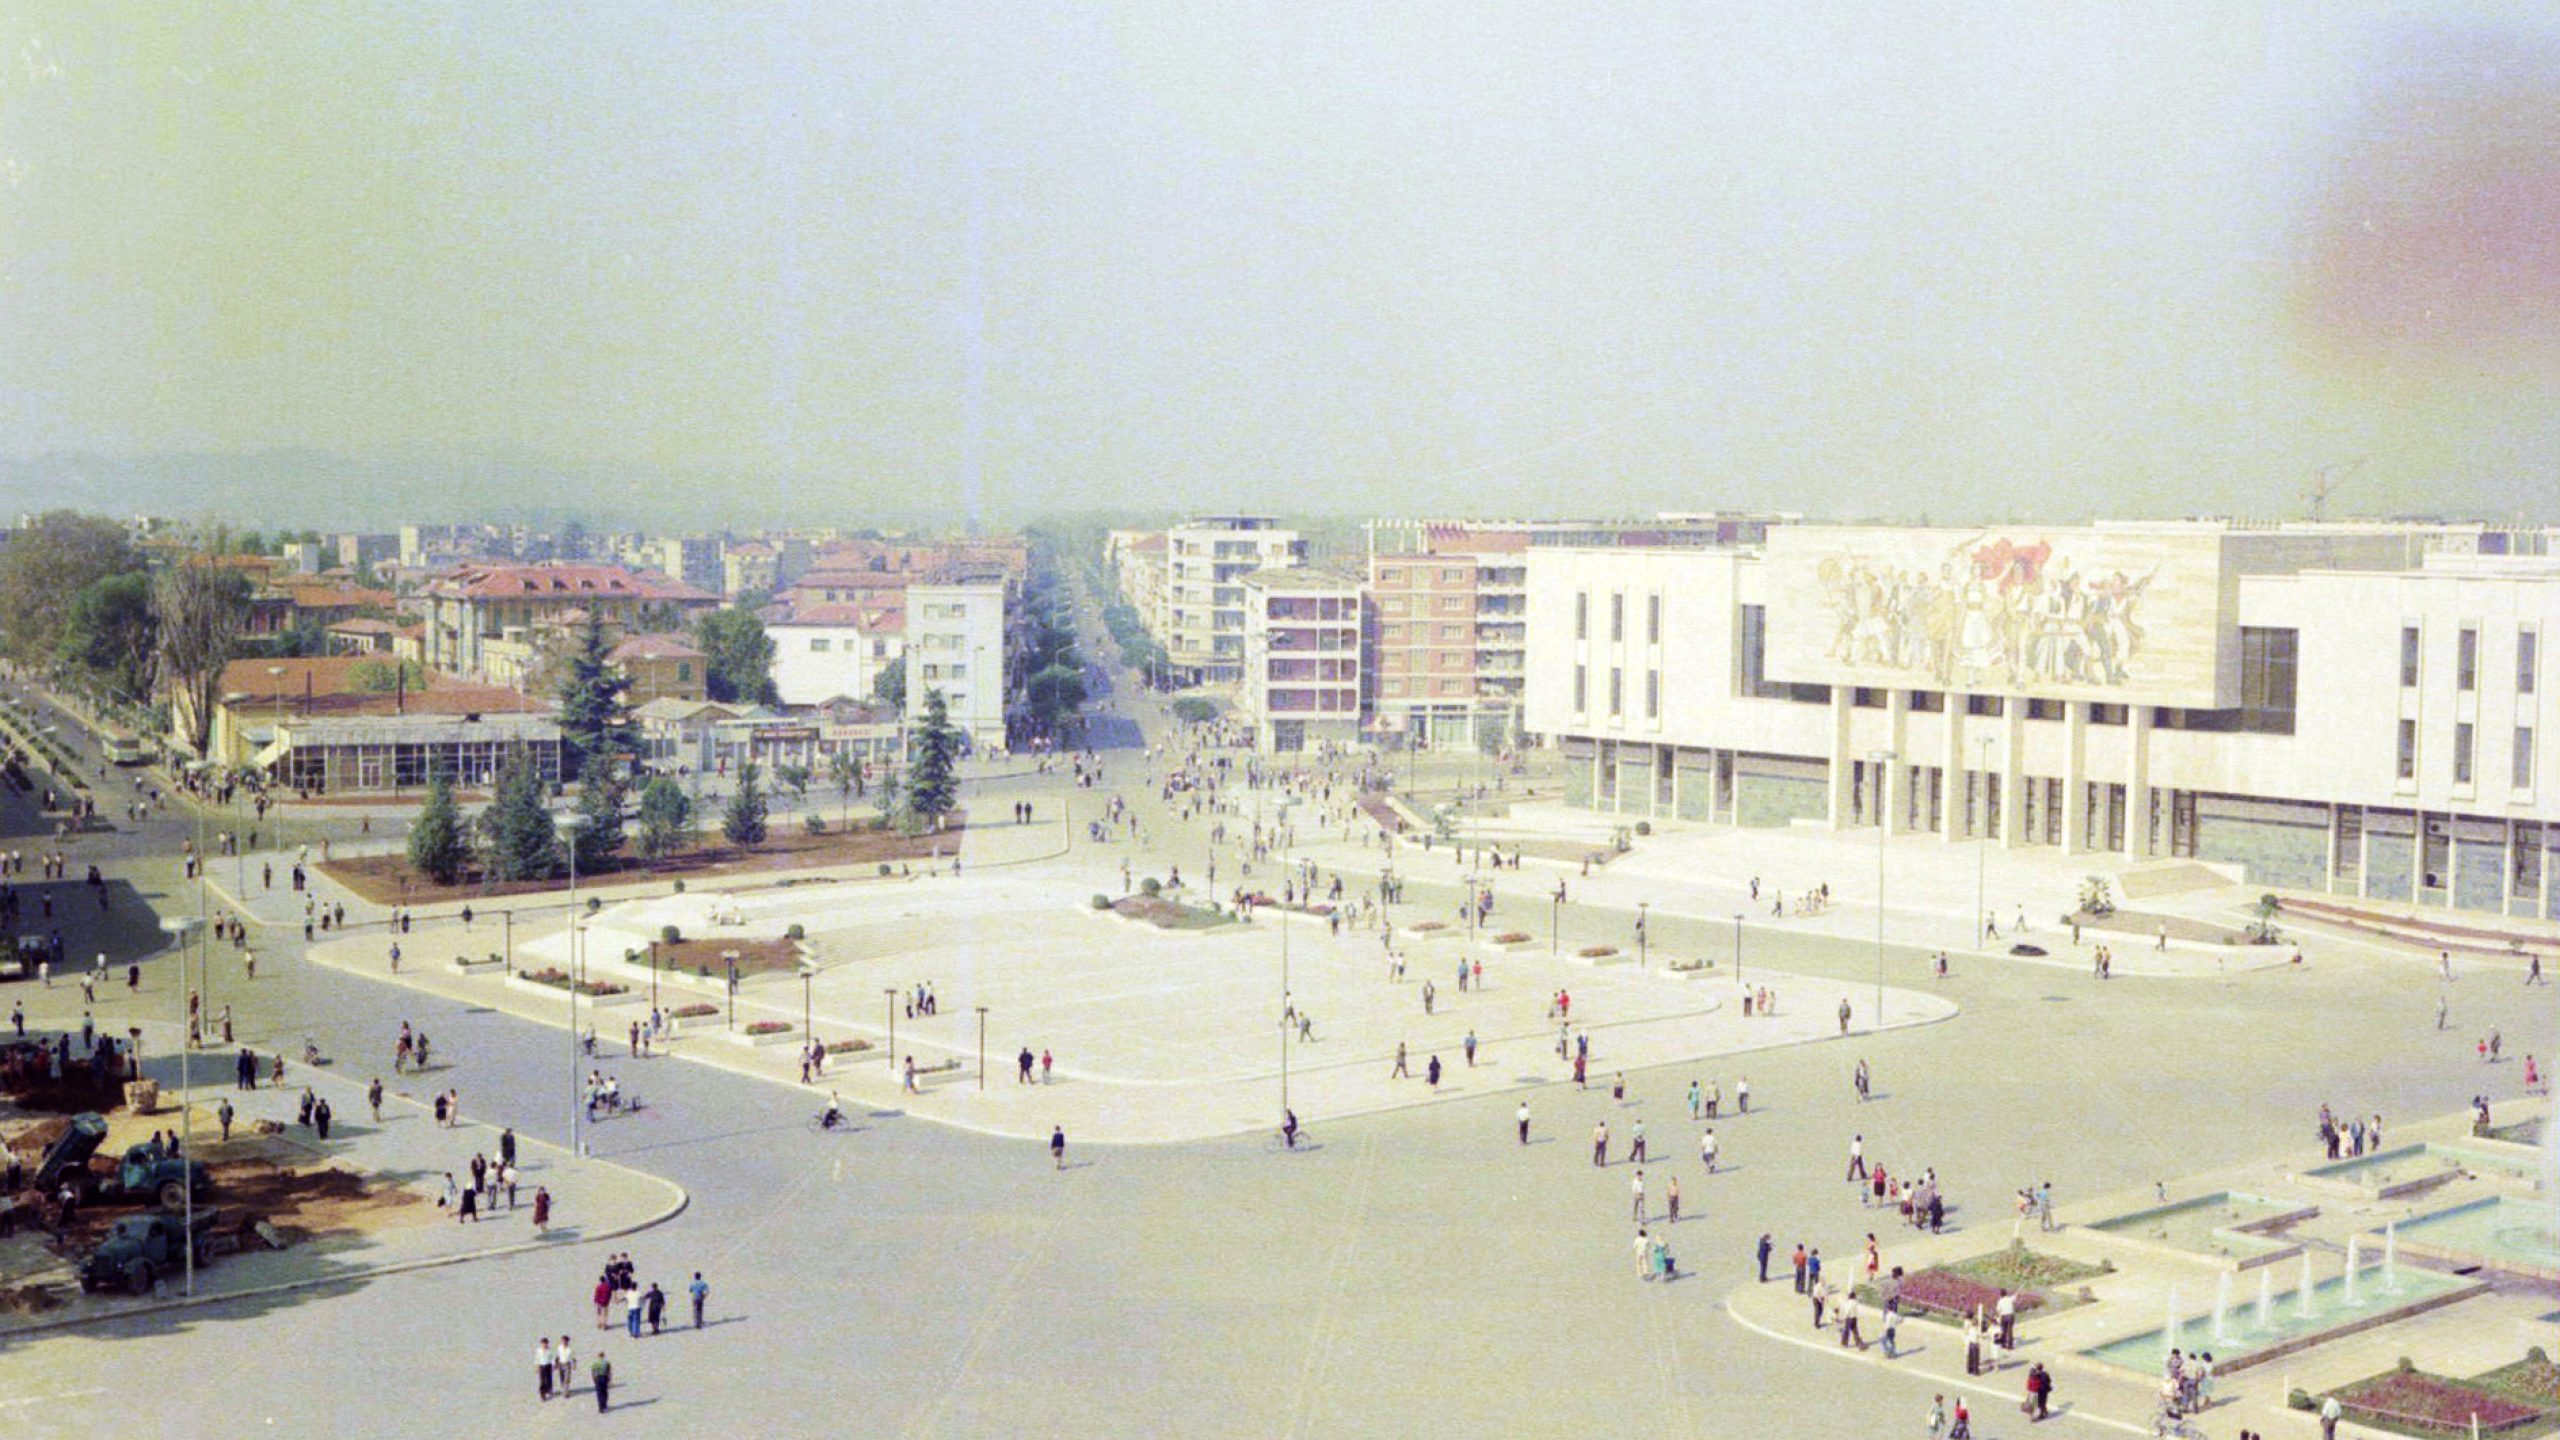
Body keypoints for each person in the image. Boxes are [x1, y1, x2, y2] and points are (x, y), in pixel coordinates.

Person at [538, 1336, 554, 1402]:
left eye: (545, 1343)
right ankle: (542, 1393)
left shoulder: (549, 1350)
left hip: (548, 1366)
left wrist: (553, 1365)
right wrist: (537, 1366)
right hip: (542, 1366)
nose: (544, 1345)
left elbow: (552, 1358)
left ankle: (549, 1389)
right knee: (542, 1380)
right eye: (543, 1343)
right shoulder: (539, 1350)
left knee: (548, 1379)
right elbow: (537, 1359)